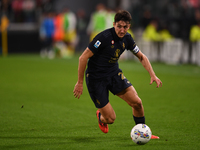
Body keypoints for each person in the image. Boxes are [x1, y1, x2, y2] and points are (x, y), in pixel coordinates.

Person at [73, 10, 162, 139]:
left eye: (125, 27)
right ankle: (101, 117)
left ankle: (142, 132)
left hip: (114, 74)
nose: (122, 30)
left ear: (129, 26)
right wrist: (80, 82)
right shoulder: (103, 38)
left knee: (137, 102)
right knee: (110, 119)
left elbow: (141, 57)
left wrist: (153, 75)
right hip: (96, 79)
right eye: (119, 26)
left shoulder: (128, 38)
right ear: (114, 24)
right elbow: (83, 58)